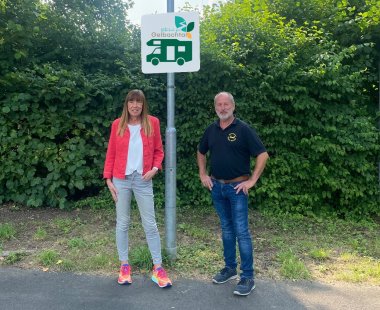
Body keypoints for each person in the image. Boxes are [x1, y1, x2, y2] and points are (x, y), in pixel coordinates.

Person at [197, 91, 269, 296]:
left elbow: (262, 154)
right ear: (215, 108)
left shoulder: (243, 129)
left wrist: (252, 180)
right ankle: (230, 269)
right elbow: (201, 151)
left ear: (233, 106)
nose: (222, 108)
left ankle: (247, 277)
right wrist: (203, 174)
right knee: (227, 229)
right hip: (217, 188)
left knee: (241, 232)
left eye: (226, 104)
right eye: (218, 104)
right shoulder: (211, 130)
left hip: (237, 188)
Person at [103, 89, 172, 288]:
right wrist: (108, 179)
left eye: (138, 102)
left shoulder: (153, 123)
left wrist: (155, 169)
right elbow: (111, 153)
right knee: (122, 223)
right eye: (131, 102)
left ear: (143, 105)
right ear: (126, 104)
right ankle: (124, 265)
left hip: (143, 179)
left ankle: (157, 268)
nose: (135, 105)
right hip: (120, 179)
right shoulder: (118, 124)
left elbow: (159, 150)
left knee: (150, 224)